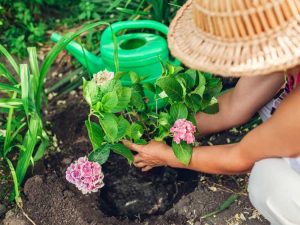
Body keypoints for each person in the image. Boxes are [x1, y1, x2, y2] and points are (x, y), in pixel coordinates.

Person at [123, 0, 300, 225]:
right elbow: (233, 105)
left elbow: (240, 157)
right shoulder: (286, 42)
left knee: (267, 180)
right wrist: (170, 129)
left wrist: (167, 156)